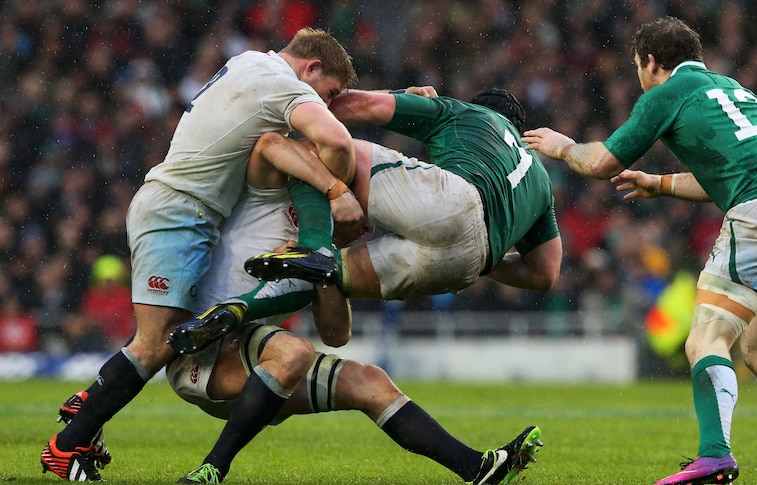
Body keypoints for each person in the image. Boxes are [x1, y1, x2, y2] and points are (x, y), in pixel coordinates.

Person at [59, 133, 544, 485]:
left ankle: (477, 469)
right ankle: (211, 470)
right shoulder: (285, 185)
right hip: (200, 349)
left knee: (369, 382)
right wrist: (331, 185)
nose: (363, 228)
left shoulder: (324, 249)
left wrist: (326, 273)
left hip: (248, 351)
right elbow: (271, 142)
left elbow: (335, 334)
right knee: (290, 353)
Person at [41, 27, 365, 482]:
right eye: (327, 93)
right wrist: (336, 191)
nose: (325, 104)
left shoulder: (251, 64)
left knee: (166, 338)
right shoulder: (280, 83)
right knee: (155, 344)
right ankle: (66, 445)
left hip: (184, 209)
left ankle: (88, 407)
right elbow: (337, 141)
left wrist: (395, 98)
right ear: (310, 68)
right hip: (181, 210)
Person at [521, 16, 757, 485]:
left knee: (705, 340)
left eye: (637, 67)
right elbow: (736, 173)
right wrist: (660, 184)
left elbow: (602, 161)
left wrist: (564, 147)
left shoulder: (665, 93)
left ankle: (715, 455)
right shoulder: (732, 88)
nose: (639, 76)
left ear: (650, 61)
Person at [169, 88, 562, 355]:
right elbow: (545, 274)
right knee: (327, 277)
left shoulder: (467, 113)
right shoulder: (542, 185)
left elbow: (362, 107)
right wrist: (485, 260)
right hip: (471, 262)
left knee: (320, 147)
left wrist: (298, 114)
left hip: (453, 200)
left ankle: (313, 242)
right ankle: (239, 309)